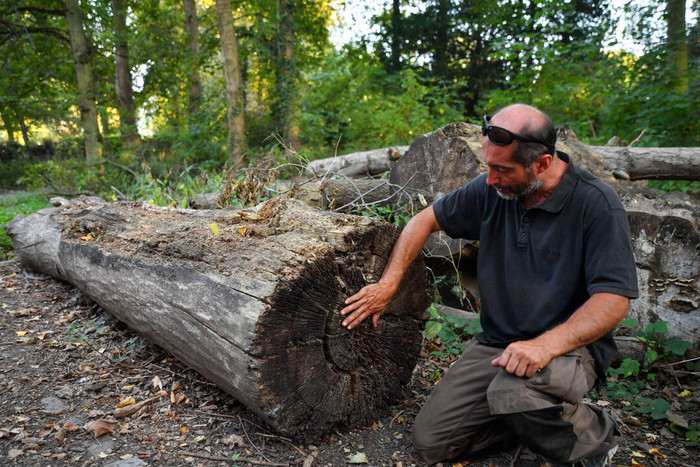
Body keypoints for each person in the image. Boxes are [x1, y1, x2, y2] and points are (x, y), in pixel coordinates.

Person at [339, 104, 639, 466]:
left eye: (502, 169)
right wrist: (388, 285)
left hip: (568, 348)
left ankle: (598, 436)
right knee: (431, 442)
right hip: (498, 343)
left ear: (542, 163)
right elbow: (422, 221)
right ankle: (526, 421)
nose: (490, 179)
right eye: (488, 166)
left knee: (517, 395)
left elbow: (613, 301)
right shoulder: (491, 190)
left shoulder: (596, 205)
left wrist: (544, 346)